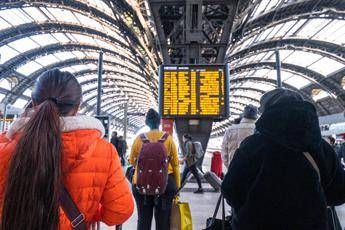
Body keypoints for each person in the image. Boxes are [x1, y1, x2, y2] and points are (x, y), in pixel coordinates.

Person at [0, 69, 134, 229]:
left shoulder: (4, 146)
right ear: (77, 107)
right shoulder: (104, 151)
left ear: (34, 102)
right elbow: (120, 210)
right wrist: (89, 211)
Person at [221, 88, 345, 229]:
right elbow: (338, 193)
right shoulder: (322, 148)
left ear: (267, 112)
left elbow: (230, 190)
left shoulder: (253, 146)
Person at [129, 109, 180, 230]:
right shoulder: (168, 138)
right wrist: (177, 188)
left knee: (143, 219)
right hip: (165, 184)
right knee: (163, 221)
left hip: (141, 184)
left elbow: (131, 161)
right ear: (159, 123)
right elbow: (176, 165)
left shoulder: (139, 139)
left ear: (147, 123)